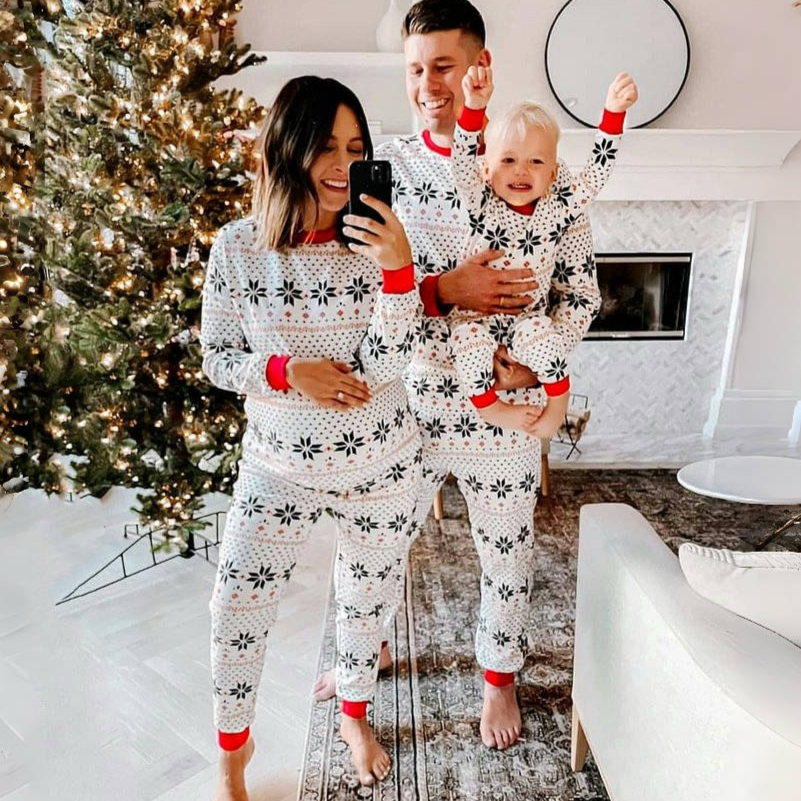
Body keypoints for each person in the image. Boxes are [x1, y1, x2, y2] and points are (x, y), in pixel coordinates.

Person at [315, 0, 603, 752]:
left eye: (443, 65)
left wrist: (532, 363)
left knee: (507, 550)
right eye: (415, 69)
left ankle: (499, 677)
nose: (428, 85)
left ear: (480, 68)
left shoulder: (536, 169)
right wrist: (446, 291)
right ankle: (367, 647)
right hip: (407, 401)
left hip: (504, 408)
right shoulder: (387, 171)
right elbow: (360, 298)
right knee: (372, 538)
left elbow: (581, 295)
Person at [201, 75, 423, 797]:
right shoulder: (237, 248)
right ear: (287, 145)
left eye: (355, 148)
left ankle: (353, 716)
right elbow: (217, 358)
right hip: (277, 465)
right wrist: (287, 371)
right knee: (236, 605)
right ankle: (232, 753)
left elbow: (388, 363)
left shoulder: (379, 244)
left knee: (366, 600)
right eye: (326, 145)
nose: (341, 164)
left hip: (381, 461)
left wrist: (398, 271)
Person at [448, 66, 637, 435]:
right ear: (486, 170)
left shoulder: (558, 209)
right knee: (467, 346)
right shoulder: (481, 203)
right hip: (474, 319)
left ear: (552, 173)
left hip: (526, 320)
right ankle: (491, 408)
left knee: (545, 338)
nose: (521, 171)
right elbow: (461, 161)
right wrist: (473, 107)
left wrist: (613, 115)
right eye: (508, 160)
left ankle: (558, 405)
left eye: (535, 161)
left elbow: (595, 175)